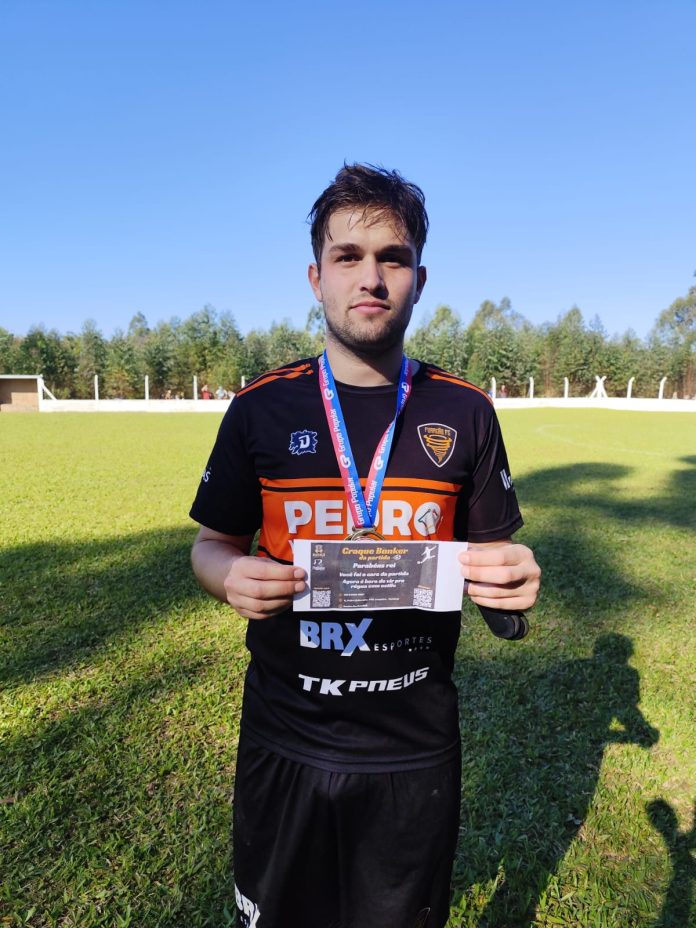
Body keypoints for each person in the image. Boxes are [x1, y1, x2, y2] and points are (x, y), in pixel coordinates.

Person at [189, 164, 540, 928]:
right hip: (286, 736)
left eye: (393, 258)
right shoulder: (260, 407)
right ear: (317, 278)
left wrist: (512, 581)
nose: (371, 277)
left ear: (419, 279)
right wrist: (229, 575)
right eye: (348, 256)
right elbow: (211, 546)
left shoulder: (466, 411)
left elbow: (497, 566)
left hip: (412, 750)